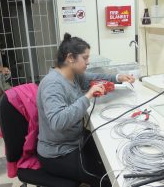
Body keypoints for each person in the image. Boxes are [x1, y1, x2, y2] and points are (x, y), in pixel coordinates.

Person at [37, 33, 135, 187]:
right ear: (70, 58)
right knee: (108, 178)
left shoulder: (73, 75)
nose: (88, 62)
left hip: (75, 141)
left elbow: (95, 76)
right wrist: (87, 96)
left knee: (113, 158)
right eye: (85, 58)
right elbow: (57, 122)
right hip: (58, 153)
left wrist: (118, 77)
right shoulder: (52, 84)